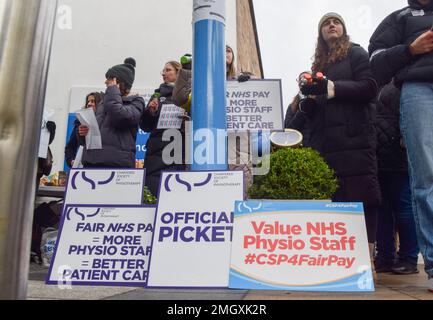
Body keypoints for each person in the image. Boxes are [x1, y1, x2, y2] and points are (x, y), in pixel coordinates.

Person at [289, 13, 380, 256]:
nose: (331, 25)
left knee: (362, 195)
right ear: (320, 33)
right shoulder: (318, 66)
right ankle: (338, 256)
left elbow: (370, 87)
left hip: (354, 138)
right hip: (325, 142)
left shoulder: (356, 53)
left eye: (336, 22)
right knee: (334, 198)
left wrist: (332, 88)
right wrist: (309, 105)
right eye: (326, 23)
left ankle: (366, 256)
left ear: (343, 29)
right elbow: (318, 101)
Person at [369, 0, 433, 291]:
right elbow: (375, 61)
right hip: (418, 89)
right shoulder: (398, 18)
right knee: (425, 177)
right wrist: (410, 50)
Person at [374, 82, 419, 275]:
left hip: (394, 156)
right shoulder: (382, 84)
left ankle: (404, 257)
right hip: (383, 156)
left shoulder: (395, 84)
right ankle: (391, 257)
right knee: (389, 209)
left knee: (401, 208)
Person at [79, 58, 144, 168]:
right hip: (92, 162)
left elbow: (120, 117)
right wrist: (83, 132)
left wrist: (113, 90)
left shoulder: (136, 101)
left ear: (118, 82)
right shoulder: (105, 102)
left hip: (116, 164)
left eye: (109, 79)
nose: (105, 82)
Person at [140, 61, 184, 196]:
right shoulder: (157, 96)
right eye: (163, 71)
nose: (164, 73)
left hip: (178, 149)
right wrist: (150, 112)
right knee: (153, 189)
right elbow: (145, 126)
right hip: (156, 150)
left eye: (168, 70)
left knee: (175, 191)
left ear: (178, 73)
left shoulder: (186, 95)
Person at [65, 92, 103, 168]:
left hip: (101, 166)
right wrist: (71, 161)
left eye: (93, 101)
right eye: (88, 102)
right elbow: (70, 147)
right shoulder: (79, 123)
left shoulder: (105, 123)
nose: (89, 104)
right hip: (84, 166)